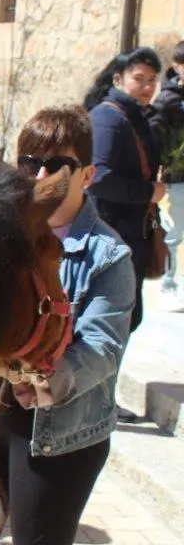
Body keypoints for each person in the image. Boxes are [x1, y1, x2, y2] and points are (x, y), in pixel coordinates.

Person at [0, 105, 135, 545]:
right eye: (31, 162)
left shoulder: (109, 256)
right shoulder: (0, 232)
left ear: (87, 175)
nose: (42, 173)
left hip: (63, 430)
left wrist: (50, 379)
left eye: (58, 164)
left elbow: (103, 347)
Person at [86, 47, 164, 332]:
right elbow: (99, 178)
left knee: (126, 319)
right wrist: (147, 192)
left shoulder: (134, 115)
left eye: (152, 79)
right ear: (118, 79)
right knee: (109, 323)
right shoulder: (109, 118)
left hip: (128, 235)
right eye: (139, 78)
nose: (147, 87)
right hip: (112, 235)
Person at [148, 40, 184, 306]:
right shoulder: (169, 100)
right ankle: (168, 283)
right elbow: (156, 137)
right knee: (175, 232)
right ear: (177, 66)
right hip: (178, 177)